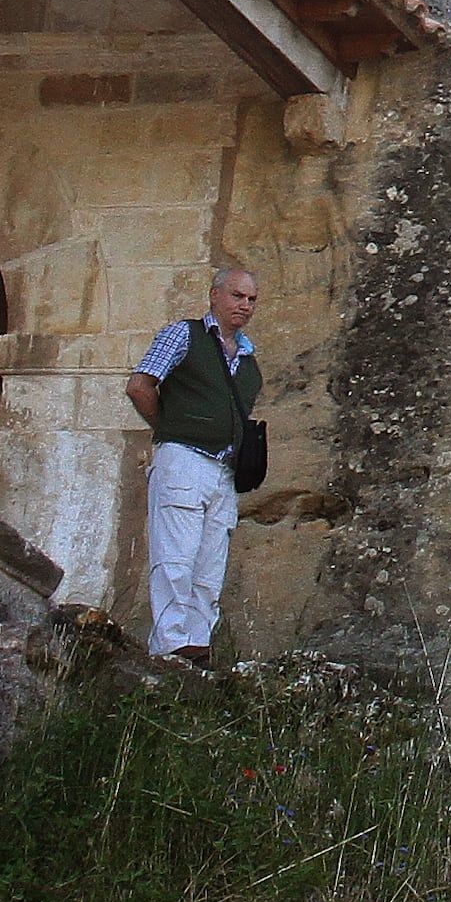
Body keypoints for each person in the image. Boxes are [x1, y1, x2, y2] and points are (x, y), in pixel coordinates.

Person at [124, 264, 260, 666]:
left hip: (223, 471)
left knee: (208, 565)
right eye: (237, 296)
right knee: (175, 556)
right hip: (183, 460)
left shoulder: (249, 361)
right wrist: (171, 428)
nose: (245, 305)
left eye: (251, 299)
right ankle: (170, 643)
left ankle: (197, 645)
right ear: (215, 294)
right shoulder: (183, 335)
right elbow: (140, 384)